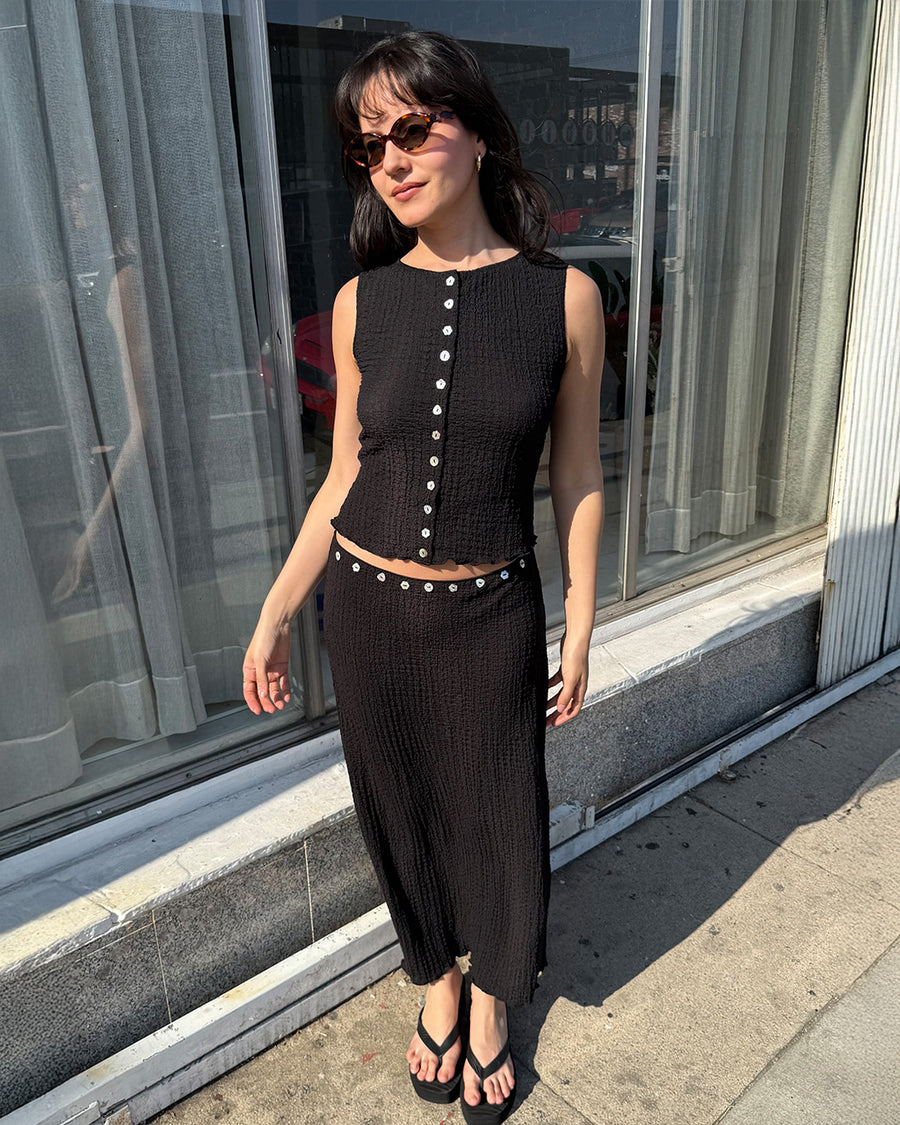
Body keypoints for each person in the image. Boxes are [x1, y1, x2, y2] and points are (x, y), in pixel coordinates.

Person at [242, 29, 604, 1123]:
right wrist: (276, 611)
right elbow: (344, 474)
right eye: (369, 147)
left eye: (411, 128)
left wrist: (584, 621)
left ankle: (494, 999)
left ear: (477, 132)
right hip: (368, 609)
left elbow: (578, 474)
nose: (391, 161)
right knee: (397, 811)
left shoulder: (564, 297)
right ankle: (437, 983)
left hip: (493, 612)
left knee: (500, 815)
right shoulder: (363, 302)